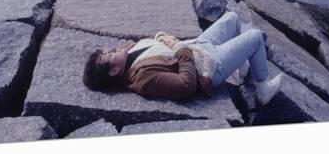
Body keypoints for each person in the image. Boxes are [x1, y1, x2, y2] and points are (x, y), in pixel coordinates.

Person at [83, 11, 284, 104]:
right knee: (256, 36)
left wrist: (165, 39)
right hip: (208, 67)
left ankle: (242, 69)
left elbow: (151, 41)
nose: (112, 49)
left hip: (198, 47)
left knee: (231, 17)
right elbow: (186, 85)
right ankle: (263, 90)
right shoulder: (143, 78)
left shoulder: (127, 55)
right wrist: (179, 49)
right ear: (115, 71)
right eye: (108, 55)